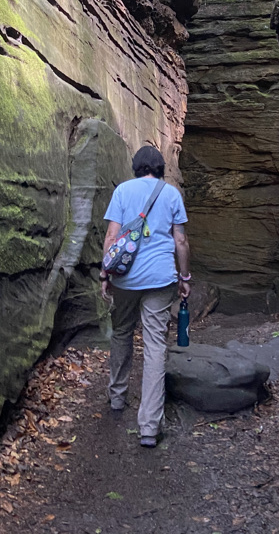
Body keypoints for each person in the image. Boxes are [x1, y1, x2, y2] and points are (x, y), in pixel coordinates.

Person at [100, 145, 191, 448]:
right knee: (154, 347)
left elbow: (112, 238)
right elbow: (181, 241)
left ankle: (116, 397)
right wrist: (185, 277)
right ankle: (149, 426)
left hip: (125, 278)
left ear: (136, 166)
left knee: (122, 332)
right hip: (160, 278)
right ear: (161, 167)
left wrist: (105, 274)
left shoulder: (123, 191)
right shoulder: (172, 194)